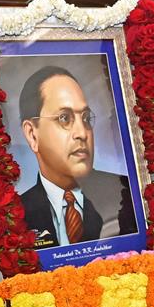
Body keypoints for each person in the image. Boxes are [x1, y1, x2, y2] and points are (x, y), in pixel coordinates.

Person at [19, 66, 104, 249]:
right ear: (32, 135)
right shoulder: (13, 215)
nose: (82, 133)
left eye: (86, 118)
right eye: (64, 118)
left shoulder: (127, 195)